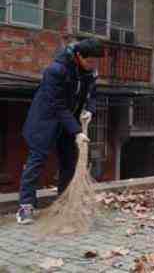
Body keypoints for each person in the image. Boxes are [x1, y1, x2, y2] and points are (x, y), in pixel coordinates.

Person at [17, 39, 105, 224]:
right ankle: (26, 206)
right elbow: (56, 104)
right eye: (90, 62)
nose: (93, 66)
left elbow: (93, 93)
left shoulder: (90, 73)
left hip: (68, 122)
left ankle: (64, 202)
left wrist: (90, 109)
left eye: (96, 62)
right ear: (78, 56)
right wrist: (76, 131)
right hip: (45, 121)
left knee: (69, 162)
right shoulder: (56, 71)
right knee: (37, 160)